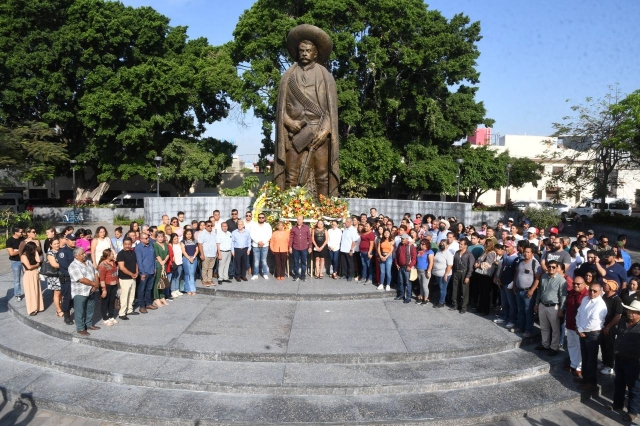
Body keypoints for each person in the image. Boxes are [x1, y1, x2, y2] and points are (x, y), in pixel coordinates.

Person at [274, 24, 339, 196]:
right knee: (291, 176)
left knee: (322, 175)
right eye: (301, 50)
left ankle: (325, 211)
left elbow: (330, 110)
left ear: (315, 53)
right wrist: (288, 122)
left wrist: (325, 130)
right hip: (295, 134)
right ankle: (288, 208)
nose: (304, 53)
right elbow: (280, 110)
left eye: (308, 50)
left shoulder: (326, 76)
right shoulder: (287, 77)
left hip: (319, 131)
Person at [611, 299, 640, 422]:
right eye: (629, 311)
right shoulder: (623, 322)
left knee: (634, 387)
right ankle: (617, 404)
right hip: (619, 358)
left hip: (634, 361)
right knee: (619, 382)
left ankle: (632, 412)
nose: (630, 313)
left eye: (633, 312)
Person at [575, 282, 607, 392]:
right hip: (582, 331)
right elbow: (579, 313)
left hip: (592, 334)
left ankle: (592, 383)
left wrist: (581, 330)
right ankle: (585, 378)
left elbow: (594, 322)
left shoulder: (600, 304)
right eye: (590, 290)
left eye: (595, 291)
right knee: (584, 357)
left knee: (591, 360)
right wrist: (579, 328)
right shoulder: (585, 299)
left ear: (600, 292)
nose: (592, 292)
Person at [533, 260, 567, 356]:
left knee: (555, 329)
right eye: (549, 267)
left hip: (554, 307)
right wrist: (536, 303)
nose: (551, 269)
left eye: (553, 267)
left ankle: (554, 347)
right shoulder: (543, 277)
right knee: (543, 327)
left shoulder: (561, 280)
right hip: (542, 305)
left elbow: (563, 296)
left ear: (557, 268)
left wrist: (561, 309)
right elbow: (539, 291)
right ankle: (545, 344)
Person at [68, 247, 100, 336]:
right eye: (82, 254)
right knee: (80, 310)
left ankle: (88, 324)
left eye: (84, 253)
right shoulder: (73, 266)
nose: (84, 255)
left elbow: (95, 272)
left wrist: (96, 283)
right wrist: (94, 284)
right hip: (80, 291)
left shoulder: (88, 262)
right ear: (76, 256)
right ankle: (80, 328)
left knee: (90, 308)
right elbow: (81, 279)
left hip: (91, 290)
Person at [513, 246, 541, 337]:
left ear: (532, 253)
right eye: (525, 252)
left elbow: (537, 279)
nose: (526, 254)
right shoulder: (520, 262)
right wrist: (514, 285)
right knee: (520, 310)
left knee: (528, 311)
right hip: (519, 290)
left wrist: (532, 290)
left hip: (528, 291)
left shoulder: (535, 263)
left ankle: (528, 330)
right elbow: (517, 274)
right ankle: (521, 327)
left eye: (528, 252)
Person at [565, 276, 589, 377]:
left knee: (580, 348)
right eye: (574, 283)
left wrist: (580, 327)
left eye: (578, 284)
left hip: (579, 327)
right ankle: (573, 364)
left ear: (584, 284)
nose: (576, 285)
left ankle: (580, 367)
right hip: (570, 324)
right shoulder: (571, 293)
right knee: (571, 345)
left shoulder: (587, 296)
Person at [600, 279, 624, 376]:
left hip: (610, 327)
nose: (604, 286)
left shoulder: (617, 300)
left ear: (611, 287)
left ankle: (609, 366)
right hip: (603, 325)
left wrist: (608, 327)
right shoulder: (604, 296)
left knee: (609, 346)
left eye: (606, 285)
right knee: (603, 345)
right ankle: (604, 363)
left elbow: (618, 316)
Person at [116, 237, 138, 320]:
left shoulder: (133, 252)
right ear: (123, 244)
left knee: (132, 295)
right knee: (124, 296)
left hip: (133, 277)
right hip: (124, 278)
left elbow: (136, 263)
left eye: (129, 244)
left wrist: (136, 272)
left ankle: (129, 309)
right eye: (126, 244)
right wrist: (131, 274)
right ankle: (122, 313)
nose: (127, 246)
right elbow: (121, 267)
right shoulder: (121, 254)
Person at [474, 240, 498, 316]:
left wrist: (479, 265)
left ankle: (485, 310)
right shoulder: (485, 252)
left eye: (488, 244)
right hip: (482, 274)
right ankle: (480, 308)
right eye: (486, 244)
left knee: (485, 293)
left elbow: (488, 264)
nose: (486, 245)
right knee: (481, 291)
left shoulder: (491, 253)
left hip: (486, 275)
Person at [135, 233, 156, 314]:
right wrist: (142, 273)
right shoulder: (138, 248)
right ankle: (142, 306)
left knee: (149, 289)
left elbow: (153, 258)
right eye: (146, 238)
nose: (148, 239)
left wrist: (154, 268)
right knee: (142, 290)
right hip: (144, 272)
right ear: (141, 239)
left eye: (148, 238)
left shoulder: (150, 245)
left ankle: (148, 303)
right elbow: (139, 261)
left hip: (151, 270)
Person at [21, 242, 44, 316]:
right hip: (29, 274)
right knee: (30, 292)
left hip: (35, 273)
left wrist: (36, 252)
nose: (34, 250)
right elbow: (29, 267)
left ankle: (38, 307)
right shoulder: (23, 256)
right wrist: (36, 265)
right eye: (33, 249)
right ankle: (31, 309)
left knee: (37, 291)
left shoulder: (33, 254)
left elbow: (38, 261)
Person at [97, 248, 118, 325]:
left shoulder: (113, 262)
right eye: (112, 254)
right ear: (108, 256)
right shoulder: (103, 264)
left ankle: (111, 316)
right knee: (105, 302)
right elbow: (101, 278)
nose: (113, 255)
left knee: (112, 301)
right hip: (107, 285)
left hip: (114, 284)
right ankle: (105, 318)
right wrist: (104, 289)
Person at [394, 234, 416, 304]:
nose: (402, 240)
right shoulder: (399, 245)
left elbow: (414, 258)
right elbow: (396, 255)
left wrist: (410, 265)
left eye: (403, 239)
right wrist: (396, 263)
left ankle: (408, 297)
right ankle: (401, 295)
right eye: (401, 239)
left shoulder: (411, 246)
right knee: (400, 282)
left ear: (407, 239)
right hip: (400, 266)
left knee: (407, 283)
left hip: (407, 267)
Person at [289, 215, 312, 282]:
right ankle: (296, 275)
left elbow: (309, 238)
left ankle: (303, 276)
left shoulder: (306, 228)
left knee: (303, 263)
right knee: (296, 262)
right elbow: (291, 238)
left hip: (304, 248)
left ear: (303, 220)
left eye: (300, 219)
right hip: (295, 247)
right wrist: (290, 247)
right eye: (298, 219)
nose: (298, 220)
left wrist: (310, 247)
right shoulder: (293, 228)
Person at [250, 213, 273, 280]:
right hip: (255, 245)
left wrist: (264, 242)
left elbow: (269, 235)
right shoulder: (254, 225)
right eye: (260, 217)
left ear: (264, 218)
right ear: (258, 218)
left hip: (265, 245)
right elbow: (252, 234)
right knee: (256, 261)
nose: (261, 219)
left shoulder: (267, 225)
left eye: (262, 217)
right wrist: (258, 242)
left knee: (264, 260)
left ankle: (265, 273)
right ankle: (255, 274)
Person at [432, 239, 453, 308]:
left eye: (443, 244)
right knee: (440, 288)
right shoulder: (438, 251)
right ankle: (441, 299)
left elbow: (450, 265)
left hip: (444, 274)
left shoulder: (448, 254)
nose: (441, 245)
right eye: (441, 243)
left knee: (442, 288)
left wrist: (446, 274)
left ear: (447, 245)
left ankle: (441, 302)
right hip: (437, 273)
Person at [6, 227, 25, 302]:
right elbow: (11, 253)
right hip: (15, 262)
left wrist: (17, 250)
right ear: (15, 232)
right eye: (20, 232)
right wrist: (21, 250)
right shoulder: (9, 241)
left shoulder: (22, 239)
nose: (22, 233)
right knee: (17, 279)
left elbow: (27, 248)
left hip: (24, 260)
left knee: (27, 277)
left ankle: (28, 292)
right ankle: (18, 294)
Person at [46, 237, 63, 317]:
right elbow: (54, 265)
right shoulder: (50, 253)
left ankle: (62, 307)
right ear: (51, 245)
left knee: (62, 293)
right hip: (54, 275)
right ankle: (58, 310)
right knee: (57, 292)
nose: (57, 245)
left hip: (62, 274)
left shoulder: (61, 250)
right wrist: (65, 265)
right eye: (54, 244)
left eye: (57, 243)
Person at [152, 231, 170, 307]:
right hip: (158, 264)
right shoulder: (155, 245)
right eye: (158, 237)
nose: (160, 238)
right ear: (156, 237)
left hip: (164, 264)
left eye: (161, 237)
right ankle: (156, 298)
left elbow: (168, 254)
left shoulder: (165, 244)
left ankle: (162, 296)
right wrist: (161, 262)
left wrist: (164, 261)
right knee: (157, 280)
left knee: (163, 280)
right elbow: (157, 254)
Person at [197, 221, 217, 287]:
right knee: (205, 268)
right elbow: (200, 244)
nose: (210, 227)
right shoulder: (202, 234)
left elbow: (215, 243)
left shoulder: (214, 233)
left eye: (211, 225)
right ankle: (204, 281)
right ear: (205, 226)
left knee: (211, 268)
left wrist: (216, 252)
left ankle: (209, 280)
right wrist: (202, 254)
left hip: (213, 254)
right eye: (208, 226)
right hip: (206, 254)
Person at [415, 239, 434, 305]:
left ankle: (426, 298)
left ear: (427, 245)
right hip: (419, 270)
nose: (421, 245)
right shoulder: (419, 251)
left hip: (425, 271)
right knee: (421, 285)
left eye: (423, 244)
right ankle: (421, 296)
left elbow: (431, 262)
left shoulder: (429, 251)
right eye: (421, 243)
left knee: (424, 285)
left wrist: (428, 271)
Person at [181, 229, 199, 294]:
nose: (189, 235)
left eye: (190, 234)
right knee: (187, 273)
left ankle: (193, 289)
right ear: (185, 235)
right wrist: (189, 258)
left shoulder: (195, 241)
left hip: (194, 258)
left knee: (192, 273)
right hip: (186, 258)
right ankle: (187, 289)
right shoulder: (183, 241)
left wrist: (193, 257)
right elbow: (183, 251)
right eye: (187, 234)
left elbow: (197, 250)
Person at [168, 233, 183, 298]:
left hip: (180, 262)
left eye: (177, 238)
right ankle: (173, 290)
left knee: (178, 277)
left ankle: (177, 289)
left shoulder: (179, 244)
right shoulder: (171, 245)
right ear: (172, 239)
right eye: (174, 239)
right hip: (174, 263)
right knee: (173, 277)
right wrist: (173, 262)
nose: (176, 240)